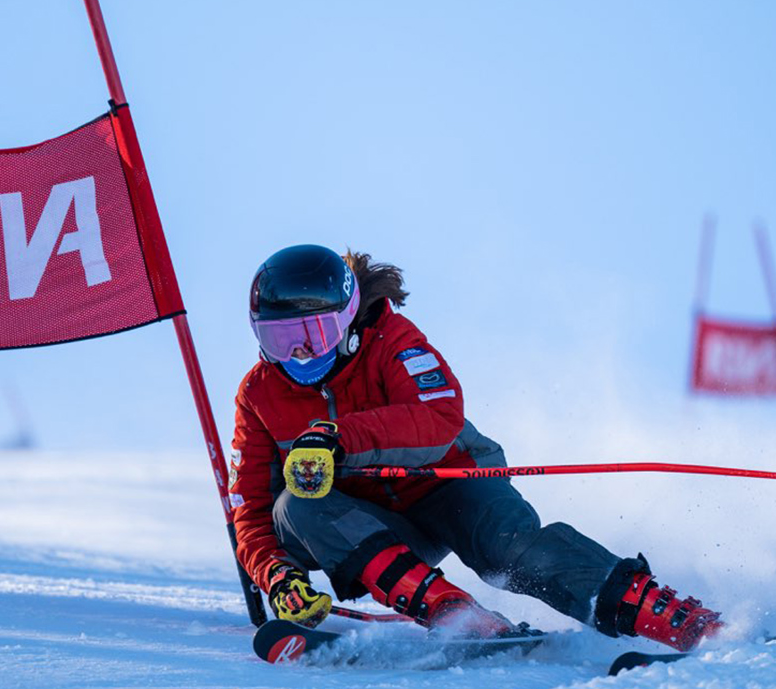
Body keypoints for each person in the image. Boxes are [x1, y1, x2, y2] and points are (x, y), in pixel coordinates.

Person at [230, 244, 722, 652]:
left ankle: (675, 618)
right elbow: (251, 508)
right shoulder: (259, 394)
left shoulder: (390, 339)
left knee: (509, 553)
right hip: (370, 525)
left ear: (348, 319)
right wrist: (276, 575)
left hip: (450, 483)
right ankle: (455, 613)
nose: (299, 355)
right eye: (279, 339)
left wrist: (342, 438)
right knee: (297, 504)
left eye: (314, 334)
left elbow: (439, 416)